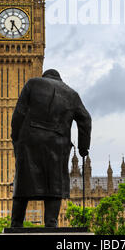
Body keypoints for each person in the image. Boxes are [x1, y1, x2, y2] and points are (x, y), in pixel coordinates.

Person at [10, 69, 91, 228]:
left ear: (44, 76)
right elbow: (86, 120)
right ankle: (51, 223)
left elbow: (18, 114)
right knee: (56, 182)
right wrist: (83, 147)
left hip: (30, 139)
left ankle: (16, 223)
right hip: (58, 142)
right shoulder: (72, 94)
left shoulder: (33, 83)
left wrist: (16, 138)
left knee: (23, 180)